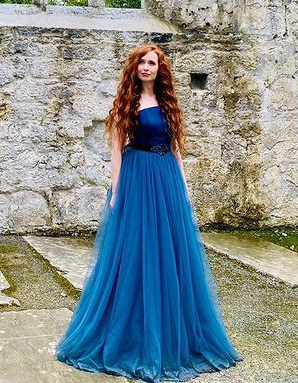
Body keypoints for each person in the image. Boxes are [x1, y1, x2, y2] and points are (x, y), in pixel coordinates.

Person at [54, 43, 243, 382]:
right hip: (137, 178)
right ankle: (129, 333)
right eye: (141, 62)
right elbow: (117, 147)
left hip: (167, 178)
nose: (146, 67)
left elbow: (175, 148)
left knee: (171, 254)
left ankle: (174, 334)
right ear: (134, 67)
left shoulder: (169, 103)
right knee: (134, 253)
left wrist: (183, 187)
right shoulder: (129, 101)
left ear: (160, 68)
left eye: (152, 62)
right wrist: (116, 191)